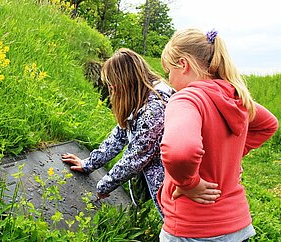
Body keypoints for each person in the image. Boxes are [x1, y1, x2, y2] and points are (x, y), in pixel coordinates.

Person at [157, 28, 279, 241]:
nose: (169, 78)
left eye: (168, 70)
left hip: (192, 227)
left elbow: (180, 151)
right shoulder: (235, 96)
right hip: (237, 225)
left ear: (183, 65)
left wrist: (189, 184)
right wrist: (229, 157)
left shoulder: (187, 99)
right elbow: (268, 124)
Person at [61, 48, 173, 218]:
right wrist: (88, 164)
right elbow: (118, 136)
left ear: (125, 82)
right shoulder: (141, 98)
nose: (112, 89)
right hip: (165, 188)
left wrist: (104, 186)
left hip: (175, 190)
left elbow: (135, 158)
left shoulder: (155, 108)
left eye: (113, 84)